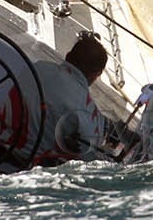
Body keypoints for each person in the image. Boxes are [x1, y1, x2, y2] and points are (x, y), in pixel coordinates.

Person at [32, 31, 108, 164]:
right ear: (97, 74)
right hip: (25, 166)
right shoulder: (89, 113)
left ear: (67, 56)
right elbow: (87, 159)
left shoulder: (37, 67)